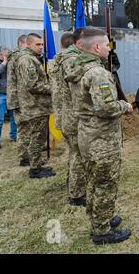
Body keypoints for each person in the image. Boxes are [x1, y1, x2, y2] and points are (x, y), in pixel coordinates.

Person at [66, 28, 133, 245]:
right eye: (106, 45)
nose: (109, 48)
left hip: (87, 135)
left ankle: (100, 217)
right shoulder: (98, 73)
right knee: (105, 183)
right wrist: (125, 105)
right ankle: (102, 232)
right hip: (102, 139)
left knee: (95, 181)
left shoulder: (78, 68)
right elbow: (105, 108)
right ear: (96, 48)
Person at [49, 30, 88, 206]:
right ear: (76, 43)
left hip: (63, 114)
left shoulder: (57, 61)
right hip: (74, 116)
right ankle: (77, 194)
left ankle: (73, 185)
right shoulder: (73, 60)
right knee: (79, 155)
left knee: (74, 153)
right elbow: (79, 90)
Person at [15, 33, 56, 179]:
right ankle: (35, 169)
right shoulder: (27, 60)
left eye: (42, 45)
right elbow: (32, 85)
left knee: (38, 136)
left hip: (36, 105)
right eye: (38, 45)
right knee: (37, 138)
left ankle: (36, 163)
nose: (41, 47)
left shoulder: (30, 58)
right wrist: (53, 88)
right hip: (35, 106)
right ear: (29, 44)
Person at [6, 35, 29, 165]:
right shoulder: (18, 57)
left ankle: (27, 154)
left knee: (25, 128)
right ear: (21, 43)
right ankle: (24, 157)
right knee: (23, 129)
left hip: (18, 98)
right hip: (19, 99)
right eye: (28, 44)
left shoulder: (15, 57)